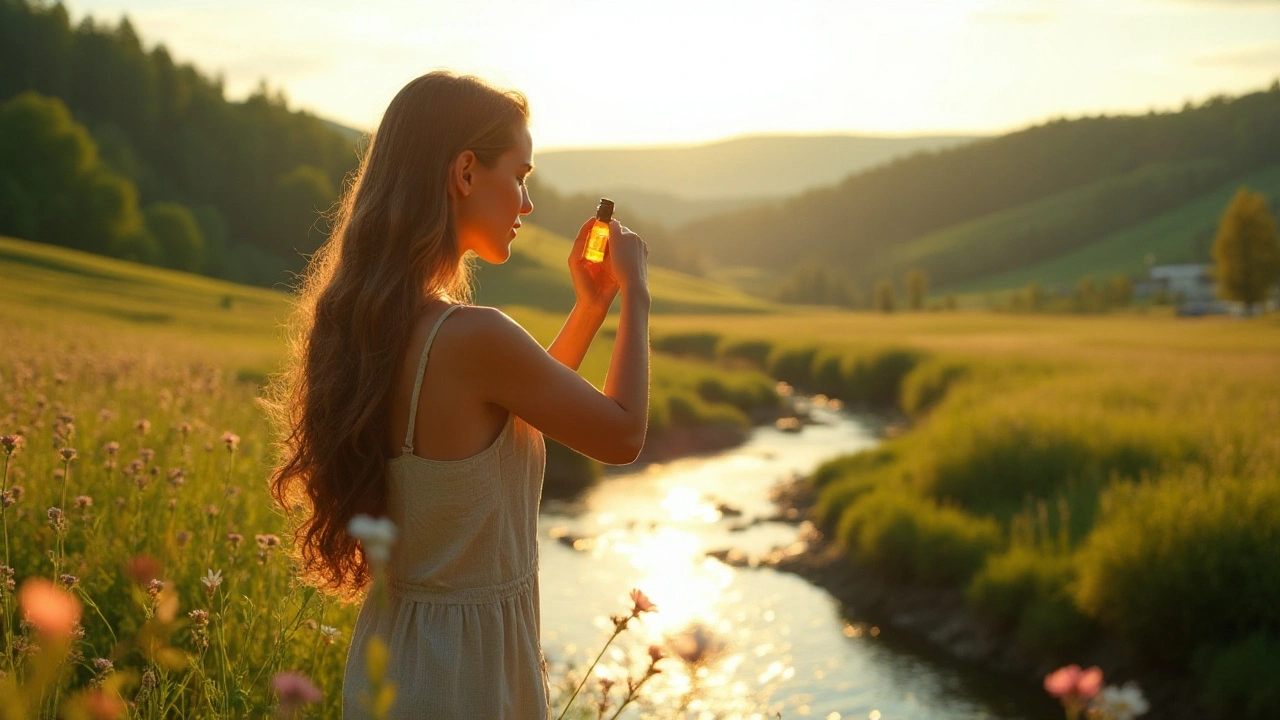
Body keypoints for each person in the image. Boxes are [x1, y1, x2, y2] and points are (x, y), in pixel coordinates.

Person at [267, 71, 651, 719]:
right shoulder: (472, 335)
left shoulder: (375, 323)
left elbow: (515, 415)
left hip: (397, 656)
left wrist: (590, 309)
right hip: (466, 676)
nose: (526, 203)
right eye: (520, 175)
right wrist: (636, 294)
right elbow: (620, 435)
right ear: (466, 173)